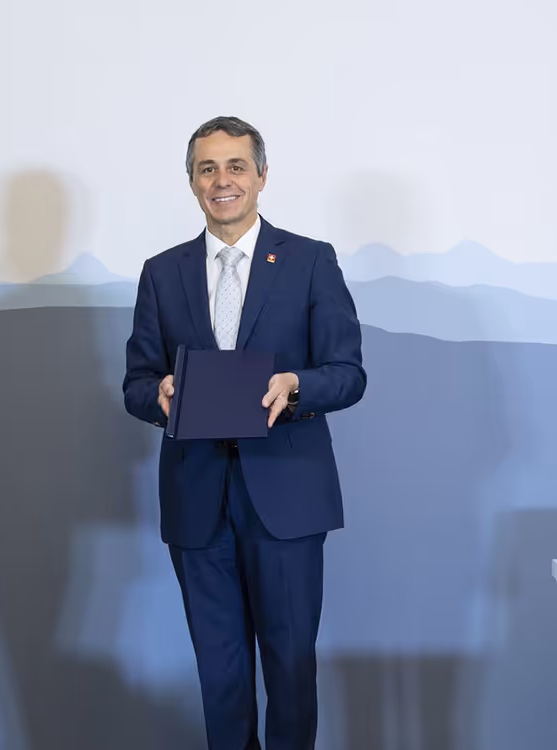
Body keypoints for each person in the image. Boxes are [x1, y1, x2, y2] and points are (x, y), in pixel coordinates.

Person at [122, 116, 366, 749]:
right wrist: (160, 395)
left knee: (289, 669)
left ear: (261, 176)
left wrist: (296, 386)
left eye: (235, 166)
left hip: (286, 495)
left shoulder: (311, 261)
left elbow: (348, 374)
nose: (221, 180)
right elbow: (134, 383)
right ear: (192, 182)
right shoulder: (161, 271)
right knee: (221, 677)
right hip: (197, 501)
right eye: (207, 168)